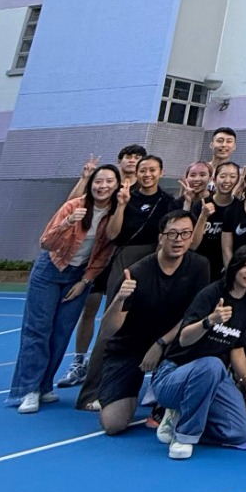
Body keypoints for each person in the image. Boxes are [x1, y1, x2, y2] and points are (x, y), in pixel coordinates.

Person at [9, 165, 120, 412]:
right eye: (98, 181)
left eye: (109, 181)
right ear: (90, 183)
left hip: (78, 277)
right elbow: (46, 243)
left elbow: (104, 253)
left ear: (117, 185)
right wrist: (67, 223)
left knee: (61, 332)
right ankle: (27, 389)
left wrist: (84, 281)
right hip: (50, 271)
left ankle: (44, 385)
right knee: (38, 331)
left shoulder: (115, 213)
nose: (102, 186)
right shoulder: (74, 206)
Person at [94, 209, 210, 435]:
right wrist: (119, 300)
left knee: (198, 340)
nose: (179, 240)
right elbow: (108, 331)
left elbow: (191, 317)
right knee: (113, 424)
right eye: (172, 234)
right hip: (129, 347)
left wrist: (160, 344)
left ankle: (165, 401)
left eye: (186, 234)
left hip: (170, 346)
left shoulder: (199, 267)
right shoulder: (136, 273)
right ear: (161, 237)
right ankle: (119, 393)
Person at [77, 154, 179, 409]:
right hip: (125, 261)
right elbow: (112, 234)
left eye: (153, 170)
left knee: (154, 322)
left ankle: (153, 391)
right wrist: (121, 205)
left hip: (155, 261)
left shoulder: (168, 201)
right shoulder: (123, 196)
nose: (147, 175)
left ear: (161, 172)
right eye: (143, 170)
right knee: (111, 325)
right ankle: (92, 392)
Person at [150, 247, 246, 460]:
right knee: (212, 364)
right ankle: (184, 436)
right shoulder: (211, 294)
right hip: (174, 375)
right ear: (235, 267)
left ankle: (179, 419)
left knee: (240, 431)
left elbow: (237, 348)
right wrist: (209, 321)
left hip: (212, 378)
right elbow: (184, 338)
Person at [56, 143, 145, 389]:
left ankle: (108, 362)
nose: (131, 161)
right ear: (120, 162)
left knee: (118, 313)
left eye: (137, 157)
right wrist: (85, 178)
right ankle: (79, 361)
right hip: (97, 259)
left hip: (123, 259)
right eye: (127, 157)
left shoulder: (139, 193)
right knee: (89, 309)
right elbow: (73, 203)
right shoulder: (106, 187)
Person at [190, 162, 239, 278]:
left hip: (225, 266)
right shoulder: (200, 205)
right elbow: (192, 244)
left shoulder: (239, 207)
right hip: (199, 264)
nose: (227, 180)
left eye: (232, 176)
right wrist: (203, 216)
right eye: (222, 176)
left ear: (238, 180)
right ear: (214, 179)